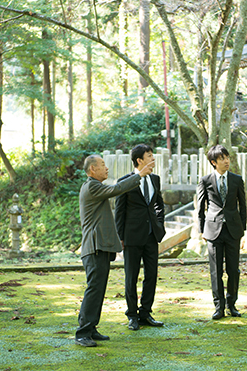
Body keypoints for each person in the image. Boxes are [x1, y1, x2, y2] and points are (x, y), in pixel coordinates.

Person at [75, 154, 154, 347]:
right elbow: (117, 189)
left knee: (99, 289)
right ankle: (82, 332)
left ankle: (91, 328)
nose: (106, 168)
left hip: (99, 247)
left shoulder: (95, 186)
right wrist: (139, 175)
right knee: (94, 289)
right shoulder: (91, 186)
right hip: (93, 247)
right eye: (102, 165)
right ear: (92, 169)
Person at [115, 144, 166, 331]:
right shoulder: (125, 181)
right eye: (150, 156)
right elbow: (119, 211)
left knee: (151, 275)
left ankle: (146, 313)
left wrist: (160, 225)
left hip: (152, 235)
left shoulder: (155, 179)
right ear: (139, 160)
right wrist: (120, 236)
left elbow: (159, 205)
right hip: (131, 236)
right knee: (131, 277)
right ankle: (132, 315)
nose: (153, 160)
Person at [197, 145, 247, 320]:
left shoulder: (236, 180)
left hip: (233, 231)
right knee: (215, 271)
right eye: (222, 158)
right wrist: (202, 229)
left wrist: (243, 230)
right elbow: (200, 207)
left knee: (233, 270)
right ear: (213, 162)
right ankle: (218, 307)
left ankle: (232, 304)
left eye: (227, 157)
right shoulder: (206, 181)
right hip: (213, 231)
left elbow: (243, 206)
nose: (227, 161)